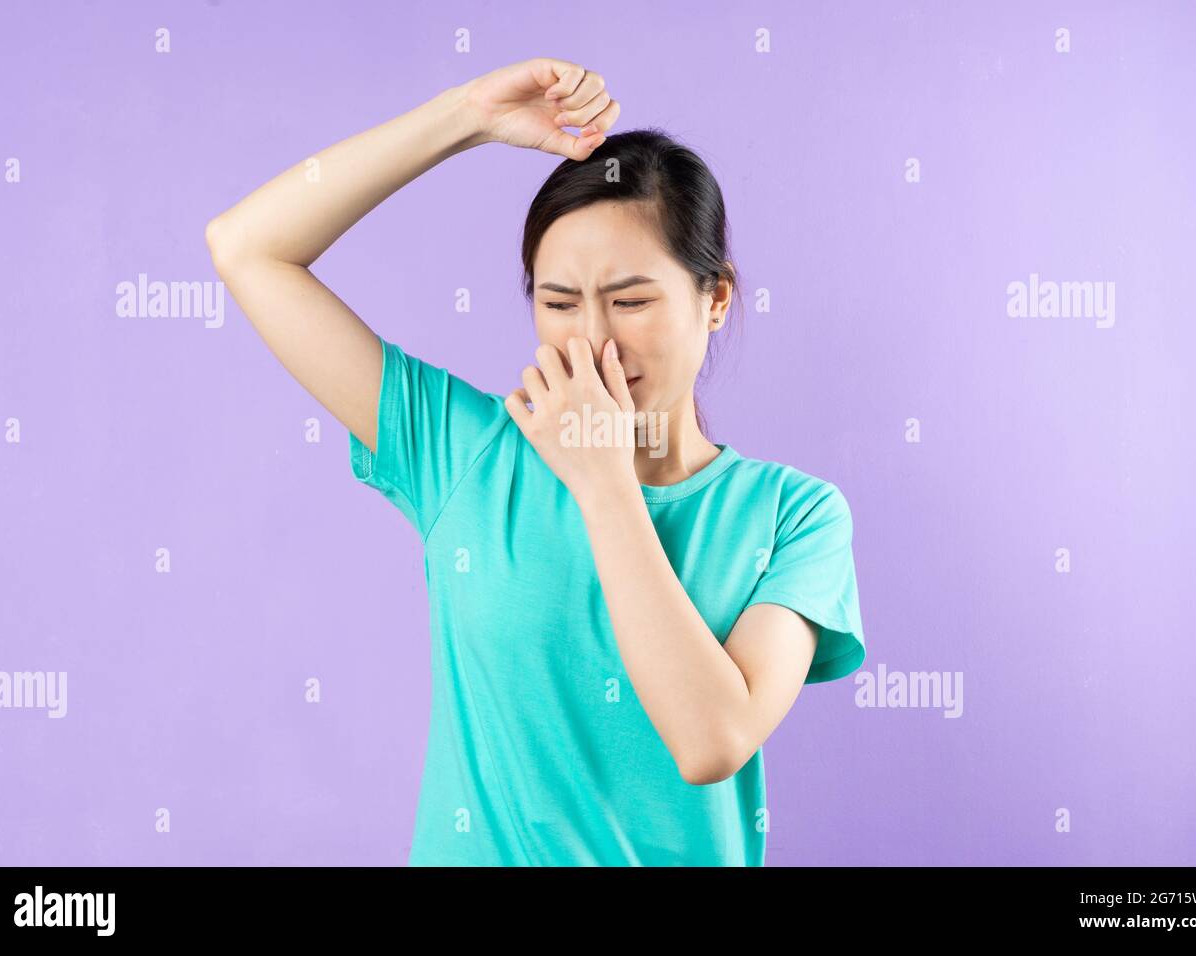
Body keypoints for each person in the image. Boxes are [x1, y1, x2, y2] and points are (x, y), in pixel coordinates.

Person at [205, 57, 865, 866]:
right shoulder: (464, 453)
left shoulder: (793, 515)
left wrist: (604, 483)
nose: (591, 338)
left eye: (630, 300)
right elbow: (247, 248)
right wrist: (464, 117)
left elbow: (711, 741)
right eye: (557, 304)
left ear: (715, 298)